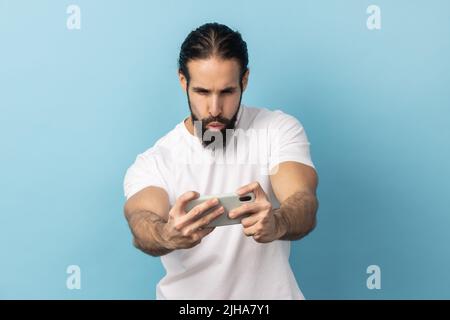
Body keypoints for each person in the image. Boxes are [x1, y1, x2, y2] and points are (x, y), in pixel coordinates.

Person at [123, 22, 319, 299]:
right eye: (202, 92)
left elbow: (304, 202)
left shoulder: (278, 130)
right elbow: (140, 221)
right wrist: (165, 234)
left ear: (245, 81)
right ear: (183, 82)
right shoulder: (156, 161)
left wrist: (279, 222)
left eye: (227, 92)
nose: (214, 109)